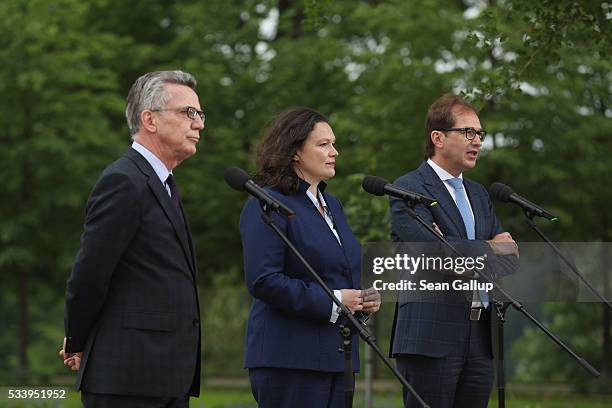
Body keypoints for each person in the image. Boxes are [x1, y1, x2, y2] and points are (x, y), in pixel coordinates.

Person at [59, 70, 204, 408]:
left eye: (200, 115)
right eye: (188, 113)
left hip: (166, 375)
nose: (199, 124)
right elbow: (92, 271)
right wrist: (76, 339)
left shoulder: (164, 183)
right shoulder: (124, 181)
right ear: (149, 119)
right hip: (129, 378)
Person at [239, 107, 381, 408]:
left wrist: (362, 301)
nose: (335, 152)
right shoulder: (267, 203)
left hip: (338, 358)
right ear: (295, 152)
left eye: (334, 144)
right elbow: (264, 280)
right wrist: (334, 300)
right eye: (323, 144)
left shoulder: (333, 205)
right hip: (290, 360)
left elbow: (339, 273)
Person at [389, 93, 518, 408]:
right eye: (468, 132)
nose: (477, 141)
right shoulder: (408, 189)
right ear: (438, 138)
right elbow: (434, 256)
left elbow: (510, 258)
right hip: (430, 334)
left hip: (480, 334)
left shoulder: (478, 193)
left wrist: (468, 252)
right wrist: (489, 248)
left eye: (480, 134)